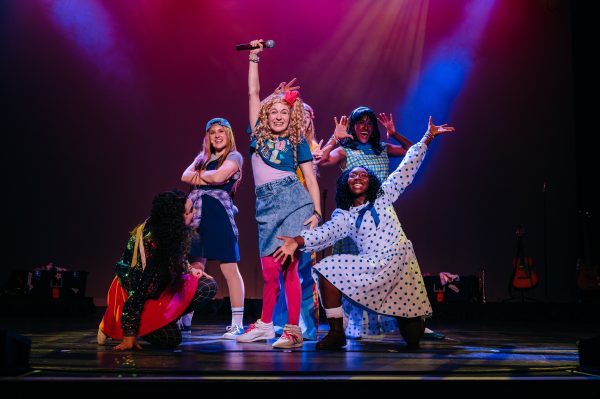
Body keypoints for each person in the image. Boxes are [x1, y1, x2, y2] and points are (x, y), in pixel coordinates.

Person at [274, 116, 454, 350]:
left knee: (412, 338)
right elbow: (325, 233)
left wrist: (428, 137)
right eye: (352, 175)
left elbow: (408, 165)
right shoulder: (345, 215)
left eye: (363, 175)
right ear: (345, 184)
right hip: (371, 265)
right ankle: (337, 332)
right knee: (327, 269)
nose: (357, 178)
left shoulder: (384, 195)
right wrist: (297, 241)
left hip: (400, 265)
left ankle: (413, 320)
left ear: (371, 182)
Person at [235, 39, 322, 349]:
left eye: (284, 111)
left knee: (288, 269)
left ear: (291, 115)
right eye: (273, 111)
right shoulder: (256, 133)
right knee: (269, 272)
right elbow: (253, 93)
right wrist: (254, 59)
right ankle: (265, 323)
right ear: (266, 115)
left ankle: (293, 330)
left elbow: (310, 179)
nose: (278, 115)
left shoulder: (297, 141)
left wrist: (316, 213)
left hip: (293, 202)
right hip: (266, 207)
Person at [316, 107, 412, 339]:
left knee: (380, 271)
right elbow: (321, 160)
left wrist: (395, 133)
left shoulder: (382, 149)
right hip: (353, 224)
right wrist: (334, 138)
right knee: (353, 274)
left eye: (369, 123)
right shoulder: (345, 150)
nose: (365, 127)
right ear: (353, 126)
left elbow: (413, 151)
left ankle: (382, 323)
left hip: (380, 223)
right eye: (360, 122)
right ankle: (351, 325)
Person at [97, 190, 218, 350]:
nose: (194, 212)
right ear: (176, 218)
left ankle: (160, 320)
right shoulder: (152, 245)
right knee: (171, 340)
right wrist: (129, 334)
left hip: (157, 290)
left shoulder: (169, 232)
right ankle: (116, 322)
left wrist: (189, 269)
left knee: (207, 286)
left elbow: (176, 257)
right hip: (133, 295)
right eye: (189, 211)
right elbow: (137, 291)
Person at [180, 117, 246, 339]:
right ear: (207, 136)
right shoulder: (203, 158)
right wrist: (207, 178)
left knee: (229, 269)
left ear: (229, 135)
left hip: (218, 213)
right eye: (212, 132)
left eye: (221, 131)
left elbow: (218, 177)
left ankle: (237, 323)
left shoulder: (234, 157)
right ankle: (186, 314)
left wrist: (199, 177)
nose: (216, 135)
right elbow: (184, 176)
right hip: (196, 215)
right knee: (194, 266)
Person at [273, 100, 320, 341]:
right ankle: (281, 322)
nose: (304, 118)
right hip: (283, 211)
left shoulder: (311, 145)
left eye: (308, 115)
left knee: (303, 271)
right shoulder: (283, 143)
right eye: (300, 114)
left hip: (305, 213)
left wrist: (316, 213)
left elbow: (312, 178)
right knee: (283, 269)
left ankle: (308, 326)